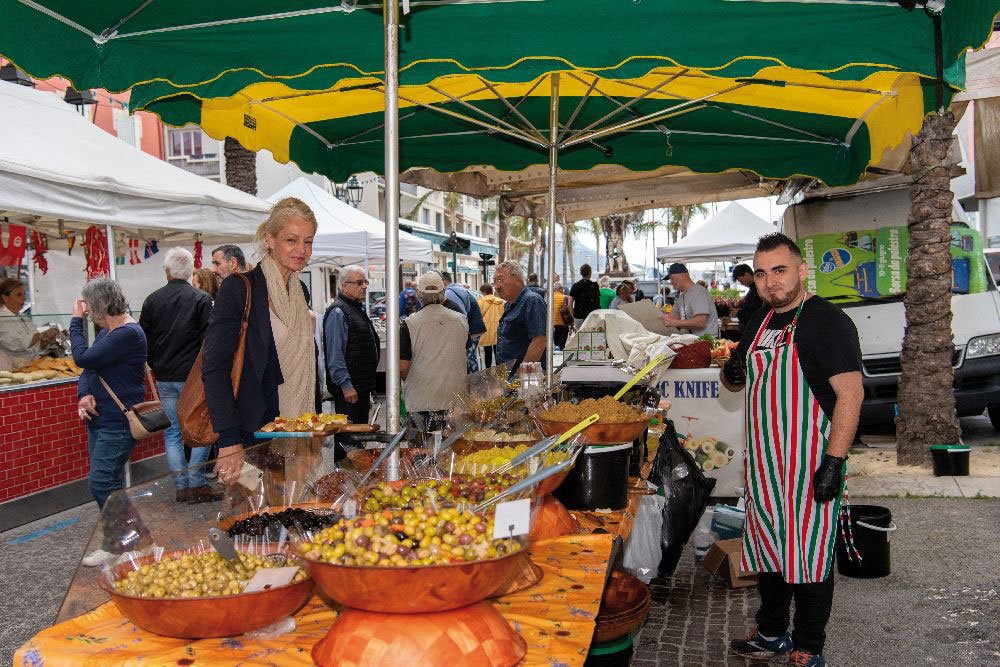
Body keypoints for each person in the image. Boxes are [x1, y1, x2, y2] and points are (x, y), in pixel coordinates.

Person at [720, 233, 863, 667]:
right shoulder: (760, 321)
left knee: (811, 555)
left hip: (811, 462)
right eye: (762, 273)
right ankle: (771, 632)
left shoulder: (826, 321)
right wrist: (731, 369)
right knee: (770, 550)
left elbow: (851, 395)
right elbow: (737, 380)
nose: (770, 282)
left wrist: (834, 463)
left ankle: (809, 645)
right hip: (766, 466)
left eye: (779, 270)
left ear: (801, 271)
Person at [204, 198, 320, 485]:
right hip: (251, 435)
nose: (301, 250)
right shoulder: (240, 289)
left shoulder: (299, 290)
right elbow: (215, 368)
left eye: (308, 241)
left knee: (294, 516)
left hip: (297, 428)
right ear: (270, 239)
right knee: (253, 520)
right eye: (291, 240)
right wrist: (229, 439)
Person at [70, 278, 147, 566]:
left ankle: (126, 542)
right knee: (108, 483)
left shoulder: (127, 333)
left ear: (100, 304)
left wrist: (75, 323)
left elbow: (82, 357)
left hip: (118, 420)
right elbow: (89, 370)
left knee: (101, 482)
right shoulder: (109, 332)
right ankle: (129, 542)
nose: (86, 312)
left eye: (88, 306)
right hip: (100, 418)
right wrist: (85, 394)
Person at [139, 248, 219, 504]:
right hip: (194, 378)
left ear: (167, 271)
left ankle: (181, 486)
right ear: (189, 272)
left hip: (164, 375)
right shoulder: (201, 299)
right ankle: (196, 482)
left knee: (173, 432)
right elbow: (210, 341)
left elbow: (144, 341)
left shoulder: (152, 300)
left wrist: (154, 364)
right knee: (201, 428)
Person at [399, 272, 468, 430]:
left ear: (419, 295)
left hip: (421, 400)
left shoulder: (409, 323)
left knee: (420, 452)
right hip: (455, 399)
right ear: (443, 293)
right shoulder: (460, 320)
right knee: (452, 451)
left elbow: (403, 368)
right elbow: (462, 353)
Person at [323, 265, 380, 455]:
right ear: (344, 286)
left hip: (360, 386)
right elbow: (335, 353)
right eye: (359, 282)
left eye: (365, 282)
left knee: (358, 439)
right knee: (347, 441)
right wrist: (346, 384)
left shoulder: (354, 308)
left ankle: (356, 478)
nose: (364, 286)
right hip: (349, 391)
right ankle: (344, 479)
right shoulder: (339, 312)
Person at [493, 261, 547, 371]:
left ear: (517, 279)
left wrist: (521, 375)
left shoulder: (532, 300)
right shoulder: (509, 304)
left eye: (500, 280)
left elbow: (539, 340)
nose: (497, 286)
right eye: (494, 282)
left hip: (524, 380)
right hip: (509, 376)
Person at [0, 278, 59, 370]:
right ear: (5, 298)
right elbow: (17, 344)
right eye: (18, 295)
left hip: (33, 365)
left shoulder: (24, 317)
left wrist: (46, 340)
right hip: (12, 368)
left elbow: (35, 346)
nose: (24, 298)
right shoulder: (2, 318)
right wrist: (42, 335)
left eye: (24, 294)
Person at [441, 271, 487, 373]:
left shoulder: (449, 292)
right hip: (475, 326)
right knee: (470, 356)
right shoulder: (457, 289)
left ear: (443, 282)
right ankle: (474, 382)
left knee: (469, 357)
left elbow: (460, 316)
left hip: (472, 329)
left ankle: (475, 383)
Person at [660, 263, 720, 336]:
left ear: (682, 275)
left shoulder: (698, 292)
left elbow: (700, 322)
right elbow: (672, 317)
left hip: (705, 342)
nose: (671, 282)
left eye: (672, 278)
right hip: (692, 342)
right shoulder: (682, 296)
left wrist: (673, 322)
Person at [477, 283, 504, 368]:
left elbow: (478, 316)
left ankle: (488, 371)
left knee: (487, 352)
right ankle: (498, 371)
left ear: (483, 292)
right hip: (498, 330)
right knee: (498, 352)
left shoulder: (480, 302)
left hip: (486, 330)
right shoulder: (500, 302)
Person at [733, 263, 765, 334]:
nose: (741, 283)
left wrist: (738, 312)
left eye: (740, 280)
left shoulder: (757, 290)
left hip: (753, 332)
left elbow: (754, 314)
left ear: (747, 275)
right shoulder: (754, 289)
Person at [569, 264, 601, 328]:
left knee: (579, 336)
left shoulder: (575, 286)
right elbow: (597, 302)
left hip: (578, 316)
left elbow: (570, 303)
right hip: (592, 316)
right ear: (590, 273)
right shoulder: (594, 286)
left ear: (581, 273)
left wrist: (573, 317)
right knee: (591, 336)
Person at [551, 282, 573, 350]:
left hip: (553, 324)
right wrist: (572, 323)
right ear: (561, 289)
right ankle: (559, 349)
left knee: (556, 341)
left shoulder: (550, 298)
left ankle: (557, 348)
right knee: (561, 344)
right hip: (563, 323)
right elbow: (569, 310)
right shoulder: (566, 298)